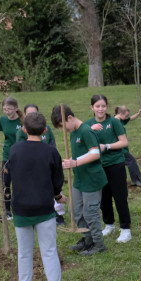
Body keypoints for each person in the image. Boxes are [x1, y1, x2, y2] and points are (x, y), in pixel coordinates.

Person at [7, 112, 65, 281]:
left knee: (24, 251)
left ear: (24, 129)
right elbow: (57, 180)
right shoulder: (51, 152)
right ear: (45, 131)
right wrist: (58, 196)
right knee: (49, 249)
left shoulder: (15, 150)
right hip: (44, 209)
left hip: (21, 209)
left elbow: (8, 174)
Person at [52, 104, 108, 256]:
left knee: (90, 213)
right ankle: (87, 238)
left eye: (64, 126)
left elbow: (95, 153)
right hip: (80, 178)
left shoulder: (85, 131)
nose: (64, 130)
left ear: (70, 118)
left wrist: (75, 163)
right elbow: (81, 155)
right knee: (74, 210)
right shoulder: (74, 132)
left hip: (92, 179)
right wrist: (70, 161)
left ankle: (99, 244)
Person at [85, 95, 132, 243]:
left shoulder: (114, 122)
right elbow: (84, 144)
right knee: (104, 198)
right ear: (92, 107)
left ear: (107, 107)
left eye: (103, 106)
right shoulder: (88, 125)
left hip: (115, 164)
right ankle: (109, 224)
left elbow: (124, 142)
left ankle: (125, 229)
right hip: (98, 166)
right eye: (97, 106)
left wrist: (108, 146)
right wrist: (90, 131)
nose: (100, 109)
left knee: (120, 196)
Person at [0, 97, 23, 221]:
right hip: (7, 155)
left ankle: (19, 208)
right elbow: (5, 135)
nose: (7, 112)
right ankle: (7, 211)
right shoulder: (2, 120)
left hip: (20, 155)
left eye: (10, 109)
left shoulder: (23, 121)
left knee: (19, 183)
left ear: (16, 108)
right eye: (4, 109)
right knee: (5, 182)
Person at [114, 105, 141, 187]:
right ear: (120, 113)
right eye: (126, 115)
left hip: (123, 148)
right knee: (131, 161)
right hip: (120, 149)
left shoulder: (121, 120)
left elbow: (131, 118)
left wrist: (138, 113)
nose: (127, 117)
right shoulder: (114, 122)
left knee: (129, 162)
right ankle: (136, 180)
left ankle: (133, 180)